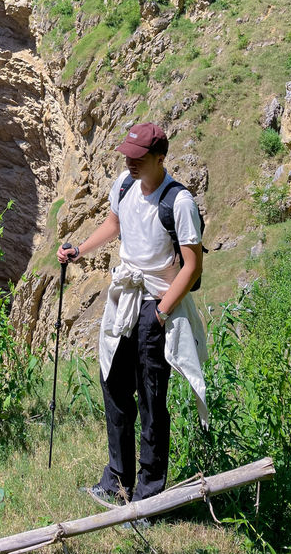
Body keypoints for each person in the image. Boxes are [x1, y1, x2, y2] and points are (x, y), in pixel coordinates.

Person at [57, 122, 207, 504]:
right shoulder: (124, 184)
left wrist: (161, 312)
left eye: (139, 157)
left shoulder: (180, 202)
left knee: (152, 397)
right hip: (125, 298)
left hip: (156, 302)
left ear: (160, 158)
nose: (130, 162)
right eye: (127, 155)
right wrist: (80, 250)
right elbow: (114, 224)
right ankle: (117, 482)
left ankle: (148, 492)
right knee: (114, 385)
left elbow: (192, 267)